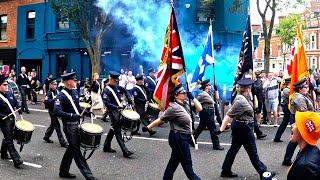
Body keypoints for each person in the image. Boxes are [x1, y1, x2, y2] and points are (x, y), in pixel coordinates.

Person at [144, 84, 202, 180]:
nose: (185, 93)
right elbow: (160, 119)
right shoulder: (173, 108)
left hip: (185, 137)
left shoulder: (186, 104)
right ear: (176, 95)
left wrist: (193, 98)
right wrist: (148, 127)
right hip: (178, 137)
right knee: (187, 164)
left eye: (184, 92)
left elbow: (200, 108)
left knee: (174, 161)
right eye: (182, 93)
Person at [220, 78, 275, 179]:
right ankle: (263, 173)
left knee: (234, 149)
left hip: (242, 126)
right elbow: (229, 115)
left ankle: (226, 170)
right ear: (248, 89)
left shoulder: (244, 97)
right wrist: (221, 129)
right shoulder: (241, 100)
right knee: (252, 151)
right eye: (250, 88)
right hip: (243, 128)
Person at [54, 72, 97, 180]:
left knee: (72, 148)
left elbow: (77, 108)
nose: (76, 81)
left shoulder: (75, 92)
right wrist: (72, 116)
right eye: (74, 80)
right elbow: (57, 111)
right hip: (68, 126)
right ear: (68, 82)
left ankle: (63, 171)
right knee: (76, 150)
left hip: (76, 125)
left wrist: (86, 113)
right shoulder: (61, 96)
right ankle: (89, 175)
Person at [102, 71, 134, 158]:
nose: (116, 82)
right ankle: (125, 151)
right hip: (112, 112)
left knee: (113, 128)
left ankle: (106, 146)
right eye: (115, 81)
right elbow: (106, 103)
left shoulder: (117, 87)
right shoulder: (106, 90)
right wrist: (116, 107)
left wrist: (130, 99)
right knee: (117, 130)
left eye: (117, 81)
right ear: (110, 79)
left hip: (118, 111)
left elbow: (125, 91)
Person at [282, 78, 314, 166]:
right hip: (299, 120)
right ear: (299, 89)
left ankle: (292, 159)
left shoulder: (303, 95)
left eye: (307, 86)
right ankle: (292, 160)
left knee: (298, 140)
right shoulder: (299, 98)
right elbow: (304, 112)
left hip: (301, 119)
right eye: (305, 87)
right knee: (296, 140)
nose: (307, 88)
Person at [287, 111, 320, 180]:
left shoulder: (304, 167)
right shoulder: (311, 150)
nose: (292, 125)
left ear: (303, 132)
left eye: (296, 124)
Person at [0, 76, 24, 168]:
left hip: (12, 119)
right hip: (4, 121)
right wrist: (1, 116)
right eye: (4, 85)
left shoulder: (9, 93)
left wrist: (19, 109)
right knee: (9, 139)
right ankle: (17, 159)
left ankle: (3, 153)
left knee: (8, 137)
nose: (6, 86)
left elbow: (15, 102)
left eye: (7, 84)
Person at [193, 79, 224, 150]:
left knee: (201, 127)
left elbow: (217, 98)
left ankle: (192, 139)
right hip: (206, 112)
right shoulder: (203, 94)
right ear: (206, 86)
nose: (210, 86)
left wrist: (216, 90)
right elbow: (213, 101)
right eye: (209, 85)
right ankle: (216, 145)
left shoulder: (209, 92)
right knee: (212, 128)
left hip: (208, 112)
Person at [43, 78, 68, 148]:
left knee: (53, 125)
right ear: (50, 85)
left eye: (56, 84)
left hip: (57, 110)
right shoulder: (49, 92)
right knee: (57, 126)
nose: (55, 86)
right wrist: (54, 100)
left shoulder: (57, 91)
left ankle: (46, 136)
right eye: (54, 84)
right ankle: (62, 142)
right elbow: (46, 101)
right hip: (52, 111)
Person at [273, 77, 291, 142]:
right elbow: (291, 98)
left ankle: (277, 137)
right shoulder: (287, 90)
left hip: (287, 107)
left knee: (285, 123)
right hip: (287, 108)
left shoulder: (288, 89)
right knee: (288, 123)